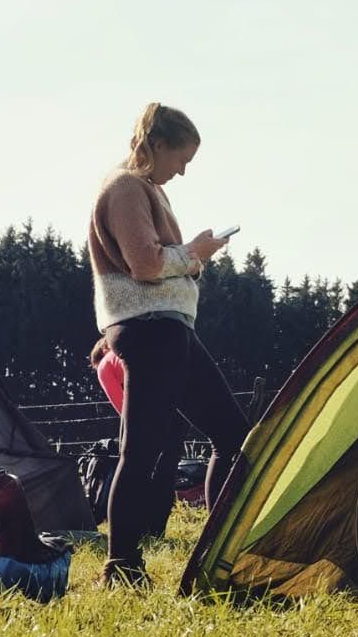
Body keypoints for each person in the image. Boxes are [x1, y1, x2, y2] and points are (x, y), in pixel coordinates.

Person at [86, 102, 247, 586]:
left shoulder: (144, 189)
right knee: (144, 450)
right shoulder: (125, 188)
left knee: (231, 436)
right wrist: (193, 254)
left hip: (168, 327)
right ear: (156, 145)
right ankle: (121, 565)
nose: (182, 170)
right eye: (181, 157)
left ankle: (220, 547)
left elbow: (157, 261)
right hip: (151, 328)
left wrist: (192, 259)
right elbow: (146, 264)